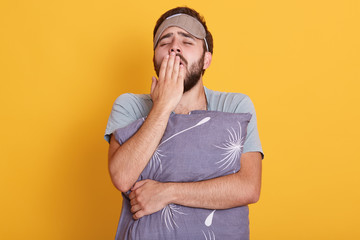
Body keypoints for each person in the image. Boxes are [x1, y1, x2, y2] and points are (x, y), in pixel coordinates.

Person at [105, 6, 263, 240]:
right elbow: (122, 177)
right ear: (155, 59)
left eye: (187, 41)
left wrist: (166, 192)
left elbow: (249, 187)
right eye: (164, 42)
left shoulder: (235, 105)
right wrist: (162, 106)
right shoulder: (128, 105)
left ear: (206, 59)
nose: (174, 47)